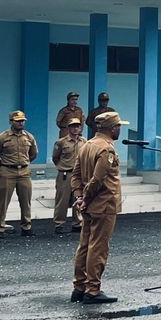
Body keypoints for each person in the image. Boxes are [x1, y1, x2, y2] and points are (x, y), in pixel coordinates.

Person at [72, 109, 125, 303]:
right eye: (119, 126)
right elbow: (98, 179)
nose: (120, 130)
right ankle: (92, 289)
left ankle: (79, 286)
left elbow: (76, 175)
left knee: (85, 245)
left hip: (89, 204)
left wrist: (79, 196)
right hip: (103, 204)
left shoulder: (87, 145)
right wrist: (85, 197)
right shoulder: (106, 149)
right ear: (112, 128)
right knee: (98, 247)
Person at [0, 110, 39, 236]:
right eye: (18, 121)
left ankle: (26, 226)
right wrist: (4, 165)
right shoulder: (2, 137)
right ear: (11, 122)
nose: (21, 123)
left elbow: (33, 154)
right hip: (8, 171)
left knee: (26, 201)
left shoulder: (29, 137)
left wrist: (24, 163)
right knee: (4, 201)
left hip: (24, 171)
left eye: (22, 121)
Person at [51, 115, 86, 233]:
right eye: (73, 126)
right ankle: (59, 224)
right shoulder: (61, 142)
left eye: (77, 126)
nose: (76, 129)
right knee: (62, 200)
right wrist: (63, 167)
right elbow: (55, 157)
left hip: (79, 174)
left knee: (78, 198)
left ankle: (77, 223)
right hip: (65, 174)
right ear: (68, 128)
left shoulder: (84, 142)